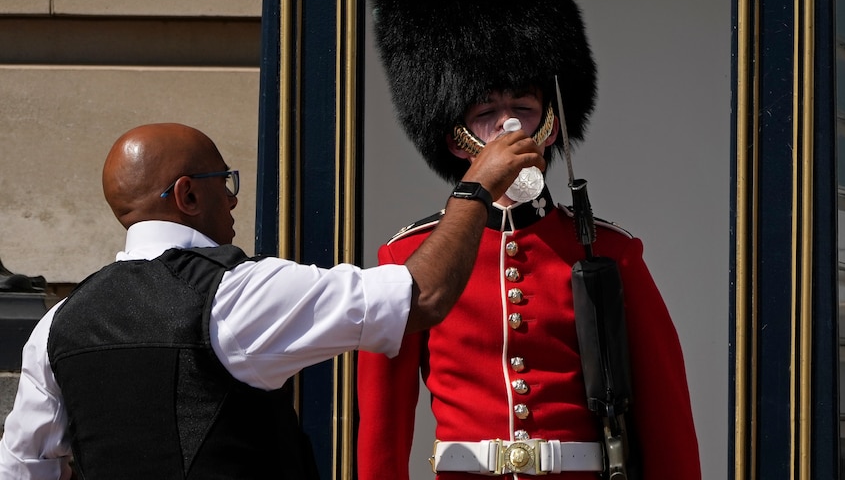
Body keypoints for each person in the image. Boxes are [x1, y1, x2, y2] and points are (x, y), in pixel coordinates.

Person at [357, 0, 701, 479]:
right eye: (487, 112)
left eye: (524, 107)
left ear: (553, 123)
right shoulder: (406, 260)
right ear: (456, 137)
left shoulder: (611, 253)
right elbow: (383, 437)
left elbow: (668, 425)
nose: (510, 126)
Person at [0, 121, 545, 480]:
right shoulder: (236, 294)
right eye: (224, 182)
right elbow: (422, 296)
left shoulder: (56, 326)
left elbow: (24, 468)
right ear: (189, 194)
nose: (234, 198)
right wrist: (474, 189)